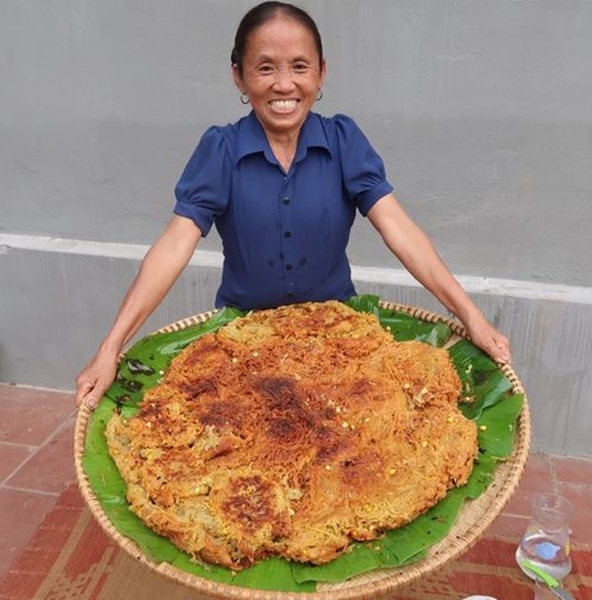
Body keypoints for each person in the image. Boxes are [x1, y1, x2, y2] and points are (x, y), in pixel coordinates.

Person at [75, 1, 511, 410]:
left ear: (321, 74)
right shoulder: (220, 151)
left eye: (299, 67)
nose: (284, 84)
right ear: (239, 77)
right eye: (265, 68)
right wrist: (110, 347)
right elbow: (173, 247)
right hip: (244, 348)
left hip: (340, 343)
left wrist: (470, 315)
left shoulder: (344, 142)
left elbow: (399, 229)